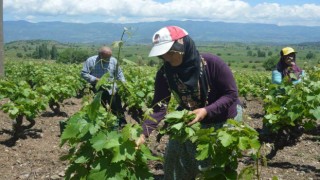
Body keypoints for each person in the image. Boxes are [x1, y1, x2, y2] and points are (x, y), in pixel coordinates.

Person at [136, 26, 242, 179]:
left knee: (211, 166)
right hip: (192, 116)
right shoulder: (165, 74)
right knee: (174, 156)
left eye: (171, 54)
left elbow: (231, 94)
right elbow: (159, 106)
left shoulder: (212, 63)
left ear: (184, 47)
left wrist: (206, 110)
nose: (167, 59)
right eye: (162, 55)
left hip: (223, 116)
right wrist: (143, 134)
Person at [81, 46, 126, 127]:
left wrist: (123, 83)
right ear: (100, 55)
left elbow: (119, 74)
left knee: (117, 107)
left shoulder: (114, 60)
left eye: (109, 57)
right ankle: (102, 125)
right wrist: (95, 79)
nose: (108, 59)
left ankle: (121, 124)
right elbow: (84, 73)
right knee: (100, 108)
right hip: (97, 88)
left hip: (112, 89)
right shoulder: (91, 61)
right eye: (106, 58)